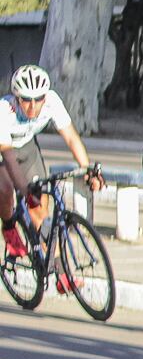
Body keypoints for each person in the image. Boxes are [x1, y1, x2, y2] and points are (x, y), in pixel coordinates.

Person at [0, 63, 104, 261]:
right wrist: (24, 190)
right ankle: (9, 228)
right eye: (26, 100)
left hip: (27, 148)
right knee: (5, 191)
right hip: (4, 153)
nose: (33, 106)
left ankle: (58, 267)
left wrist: (88, 169)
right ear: (16, 97)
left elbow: (72, 138)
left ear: (45, 97)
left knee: (40, 210)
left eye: (38, 99)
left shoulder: (52, 101)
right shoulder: (4, 111)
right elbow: (9, 158)